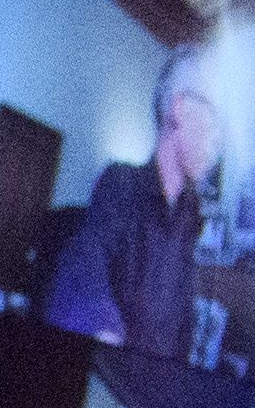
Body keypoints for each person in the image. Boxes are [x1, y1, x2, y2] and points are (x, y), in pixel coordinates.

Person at [38, 40, 237, 374]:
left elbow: (180, 325)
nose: (219, 136)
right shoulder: (121, 184)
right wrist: (101, 330)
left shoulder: (191, 216)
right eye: (214, 115)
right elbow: (85, 264)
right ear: (178, 110)